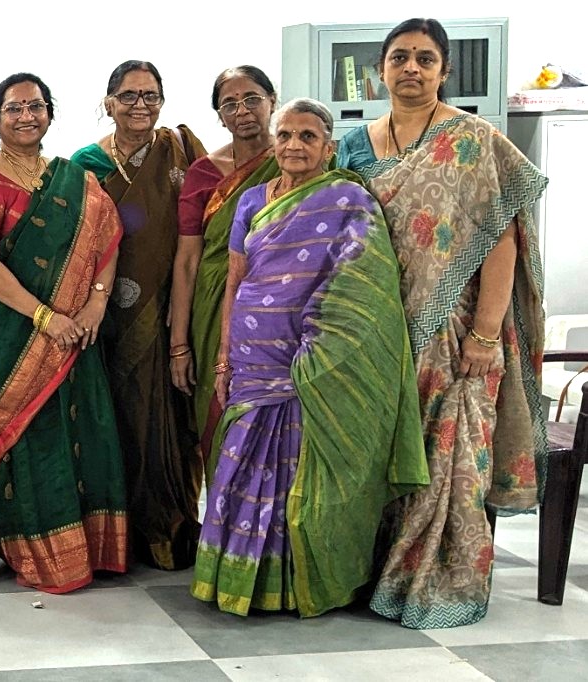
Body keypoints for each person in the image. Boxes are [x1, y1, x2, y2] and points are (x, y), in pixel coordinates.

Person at [338, 18, 549, 629]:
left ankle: (436, 583)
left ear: (444, 71)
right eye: (399, 57)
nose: (411, 68)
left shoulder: (474, 140)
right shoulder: (354, 146)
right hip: (374, 327)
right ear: (380, 68)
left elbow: (501, 240)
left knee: (449, 458)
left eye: (425, 59)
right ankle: (377, 575)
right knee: (380, 452)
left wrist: (485, 334)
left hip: (454, 330)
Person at [192, 98, 428, 617]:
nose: (294, 146)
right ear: (274, 144)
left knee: (300, 470)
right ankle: (235, 580)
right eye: (285, 136)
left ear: (328, 145)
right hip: (253, 358)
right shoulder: (252, 201)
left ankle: (294, 582)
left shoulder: (347, 199)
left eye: (307, 136)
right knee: (240, 462)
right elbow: (235, 282)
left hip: (311, 359)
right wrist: (223, 361)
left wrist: (319, 341)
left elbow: (363, 284)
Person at [0, 73, 127, 593]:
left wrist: (98, 301)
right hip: (13, 340)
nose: (26, 116)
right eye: (14, 109)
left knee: (85, 436)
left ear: (50, 113)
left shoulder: (76, 179)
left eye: (35, 106)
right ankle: (38, 553)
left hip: (78, 336)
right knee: (32, 444)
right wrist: (44, 317)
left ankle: (94, 550)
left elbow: (110, 235)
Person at [70, 60, 207, 570]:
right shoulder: (86, 163)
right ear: (108, 104)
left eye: (150, 95)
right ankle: (121, 535)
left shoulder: (181, 152)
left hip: (175, 307)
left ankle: (172, 527)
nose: (140, 105)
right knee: (121, 419)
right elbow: (77, 241)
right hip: (109, 314)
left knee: (173, 422)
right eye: (128, 96)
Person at [171, 67, 280, 458]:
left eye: (252, 99)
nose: (242, 111)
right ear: (219, 115)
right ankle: (224, 515)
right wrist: (179, 344)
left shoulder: (301, 162)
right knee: (218, 414)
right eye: (229, 104)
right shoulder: (203, 173)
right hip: (215, 307)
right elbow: (187, 260)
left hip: (284, 308)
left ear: (272, 101)